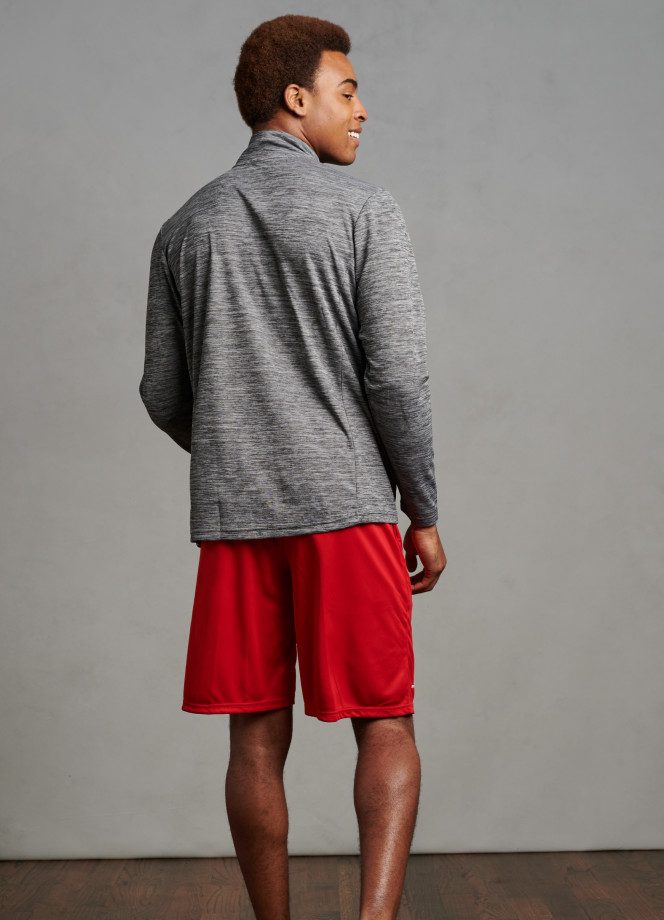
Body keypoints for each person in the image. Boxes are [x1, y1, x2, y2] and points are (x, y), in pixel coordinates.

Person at [138, 13, 446, 920]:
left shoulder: (183, 227)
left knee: (253, 737)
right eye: (347, 91)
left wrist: (239, 448)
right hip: (346, 510)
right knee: (383, 720)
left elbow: (161, 391)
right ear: (296, 98)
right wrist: (422, 507)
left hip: (236, 518)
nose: (361, 109)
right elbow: (396, 375)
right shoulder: (362, 209)